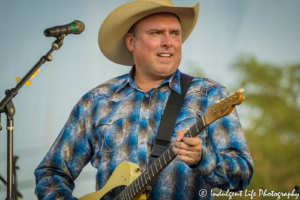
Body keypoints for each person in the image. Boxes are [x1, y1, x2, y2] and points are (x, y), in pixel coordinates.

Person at [35, 0, 253, 199]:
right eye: (156, 33)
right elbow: (51, 172)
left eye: (175, 33)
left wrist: (202, 159)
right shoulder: (96, 101)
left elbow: (241, 174)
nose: (168, 42)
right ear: (131, 41)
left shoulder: (209, 95)